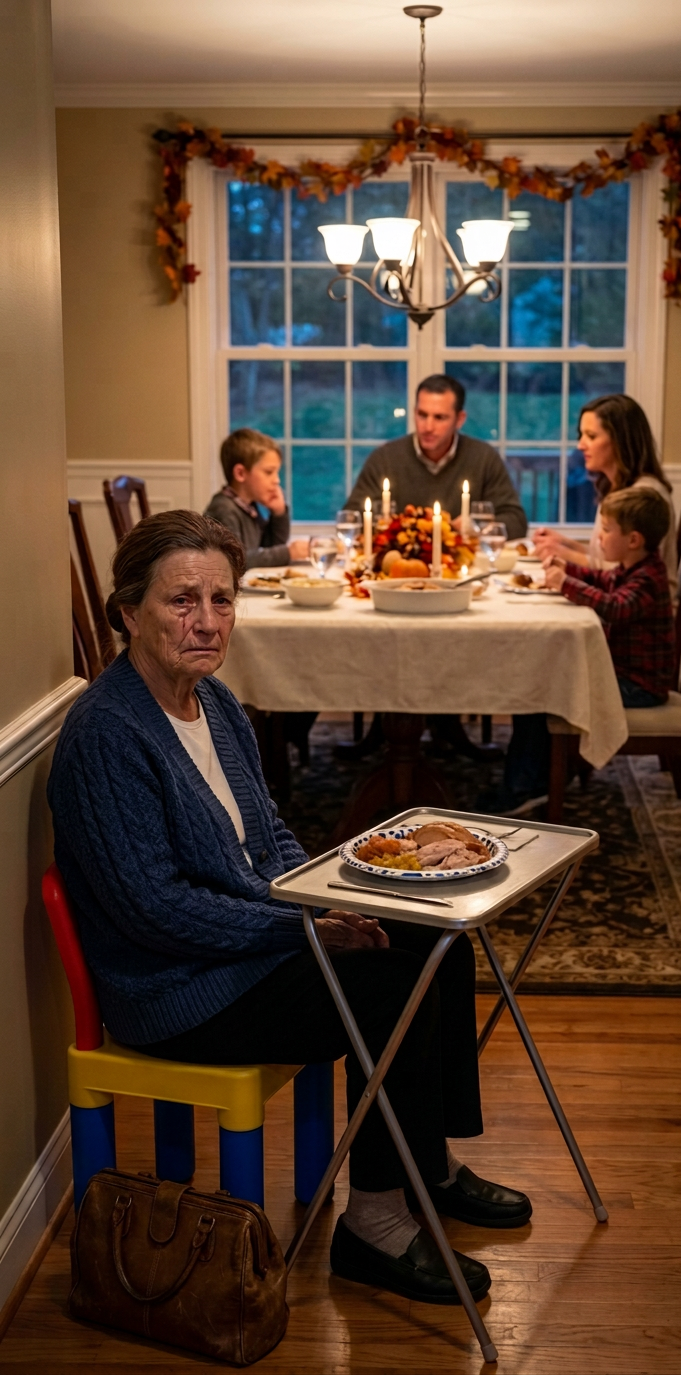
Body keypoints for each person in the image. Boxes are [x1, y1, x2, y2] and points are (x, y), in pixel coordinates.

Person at [48, 509, 532, 1309]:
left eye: (221, 599)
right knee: (390, 989)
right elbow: (155, 909)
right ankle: (373, 1222)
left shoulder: (215, 703)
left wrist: (327, 901)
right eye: (182, 600)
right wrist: (303, 927)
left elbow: (269, 837)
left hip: (247, 946)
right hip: (177, 988)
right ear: (129, 611)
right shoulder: (108, 734)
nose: (208, 621)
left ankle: (427, 1165)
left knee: (436, 937)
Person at [498, 486, 676, 811]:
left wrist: (565, 583)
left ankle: (527, 785)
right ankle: (542, 773)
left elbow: (614, 606)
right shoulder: (633, 567)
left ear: (633, 540)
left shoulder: (647, 579)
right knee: (540, 686)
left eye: (606, 530)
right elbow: (602, 580)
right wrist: (568, 569)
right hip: (625, 674)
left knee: (538, 692)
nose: (599, 538)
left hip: (639, 685)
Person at [346, 374, 527, 540]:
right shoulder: (385, 458)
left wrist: (475, 527)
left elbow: (516, 521)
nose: (428, 427)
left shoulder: (483, 458)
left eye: (439, 418)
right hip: (400, 560)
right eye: (422, 415)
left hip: (464, 561)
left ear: (459, 419)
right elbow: (352, 518)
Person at [533, 394, 678, 595]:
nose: (580, 445)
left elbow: (628, 574)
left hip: (640, 609)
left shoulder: (644, 496)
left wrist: (566, 555)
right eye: (581, 435)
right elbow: (607, 557)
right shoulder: (615, 486)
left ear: (620, 441)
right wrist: (564, 544)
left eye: (591, 436)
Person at [205, 428, 309, 569]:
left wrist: (279, 513)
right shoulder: (224, 510)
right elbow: (234, 561)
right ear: (240, 473)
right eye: (269, 472)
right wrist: (288, 553)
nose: (277, 480)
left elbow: (270, 546)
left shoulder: (248, 506)